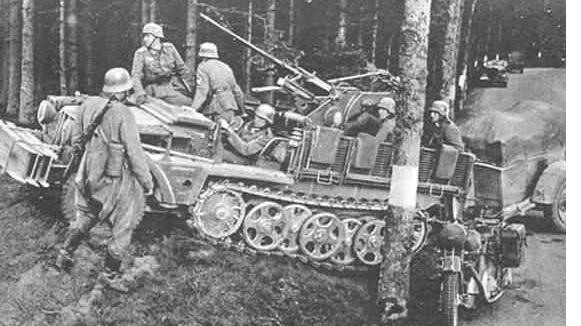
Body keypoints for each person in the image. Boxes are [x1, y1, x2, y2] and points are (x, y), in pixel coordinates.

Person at [56, 68, 154, 293]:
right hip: (113, 177)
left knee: (88, 215)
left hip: (87, 173)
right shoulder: (123, 113)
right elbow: (135, 152)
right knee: (123, 225)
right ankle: (109, 276)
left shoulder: (86, 104)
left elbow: (76, 140)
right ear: (123, 91)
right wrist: (146, 182)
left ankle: (64, 255)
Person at [131, 23, 192, 106]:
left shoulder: (169, 49)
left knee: (189, 104)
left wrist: (187, 88)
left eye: (148, 36)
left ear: (157, 37)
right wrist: (140, 94)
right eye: (144, 36)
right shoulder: (141, 53)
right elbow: (135, 77)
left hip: (169, 90)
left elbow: (183, 70)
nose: (145, 39)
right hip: (150, 92)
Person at [191, 42, 245, 123]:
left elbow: (202, 91)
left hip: (215, 109)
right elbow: (237, 91)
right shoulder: (226, 67)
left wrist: (192, 109)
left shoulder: (203, 67)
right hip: (230, 107)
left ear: (202, 56)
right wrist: (243, 111)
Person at [220, 103, 284, 164]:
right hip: (234, 152)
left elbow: (246, 150)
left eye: (261, 119)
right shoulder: (248, 125)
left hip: (245, 161)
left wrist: (229, 130)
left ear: (268, 122)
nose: (257, 120)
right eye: (257, 116)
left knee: (217, 153)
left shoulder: (266, 136)